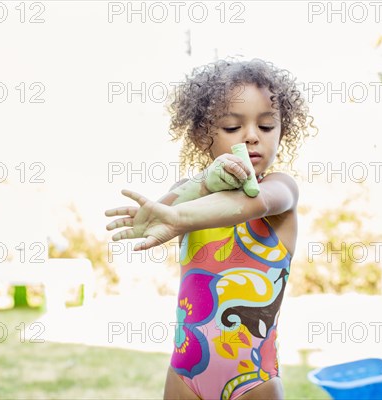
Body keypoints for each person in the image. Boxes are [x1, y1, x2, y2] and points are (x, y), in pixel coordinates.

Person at [105, 58, 316, 400]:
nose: (251, 136)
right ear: (204, 134)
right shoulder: (191, 190)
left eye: (266, 126)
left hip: (254, 382)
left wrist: (180, 217)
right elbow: (166, 211)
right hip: (185, 374)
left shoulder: (280, 189)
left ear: (283, 131)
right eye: (233, 127)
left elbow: (250, 204)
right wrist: (199, 188)